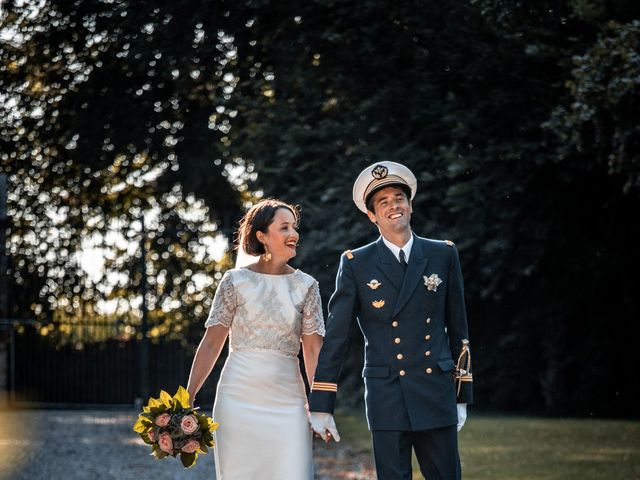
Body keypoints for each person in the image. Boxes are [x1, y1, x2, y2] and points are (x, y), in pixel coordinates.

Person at [309, 161, 473, 480]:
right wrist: (322, 402)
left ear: (410, 205)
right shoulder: (356, 263)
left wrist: (461, 394)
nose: (393, 205)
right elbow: (337, 338)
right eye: (383, 202)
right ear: (372, 216)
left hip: (436, 390)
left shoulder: (443, 253)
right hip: (388, 394)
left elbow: (459, 328)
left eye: (399, 198)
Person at [186, 199, 325, 480]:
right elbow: (212, 343)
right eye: (284, 227)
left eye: (294, 227)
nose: (294, 234)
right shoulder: (234, 281)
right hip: (237, 400)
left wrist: (321, 401)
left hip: (289, 402)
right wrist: (187, 395)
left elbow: (312, 350)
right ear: (262, 236)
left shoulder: (307, 286)